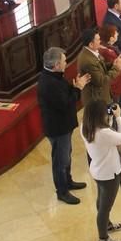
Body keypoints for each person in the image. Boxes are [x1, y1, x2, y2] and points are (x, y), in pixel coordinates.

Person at [37, 47, 90, 205]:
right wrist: (78, 88)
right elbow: (65, 103)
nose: (66, 62)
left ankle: (68, 181)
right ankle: (62, 191)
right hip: (57, 128)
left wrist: (74, 88)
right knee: (60, 160)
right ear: (56, 65)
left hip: (63, 126)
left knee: (66, 156)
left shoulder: (54, 76)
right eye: (64, 61)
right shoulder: (49, 83)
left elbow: (66, 94)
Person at [80, 100, 121, 241]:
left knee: (101, 200)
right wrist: (119, 117)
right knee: (105, 207)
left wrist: (111, 119)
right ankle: (103, 238)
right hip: (109, 173)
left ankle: (106, 225)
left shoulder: (85, 127)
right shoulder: (103, 133)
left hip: (98, 170)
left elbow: (110, 135)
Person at [77, 28, 121, 106]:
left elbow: (101, 66)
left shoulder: (92, 52)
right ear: (91, 44)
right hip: (97, 100)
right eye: (98, 40)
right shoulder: (88, 61)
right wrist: (117, 68)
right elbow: (102, 80)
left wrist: (113, 64)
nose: (100, 42)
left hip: (103, 95)